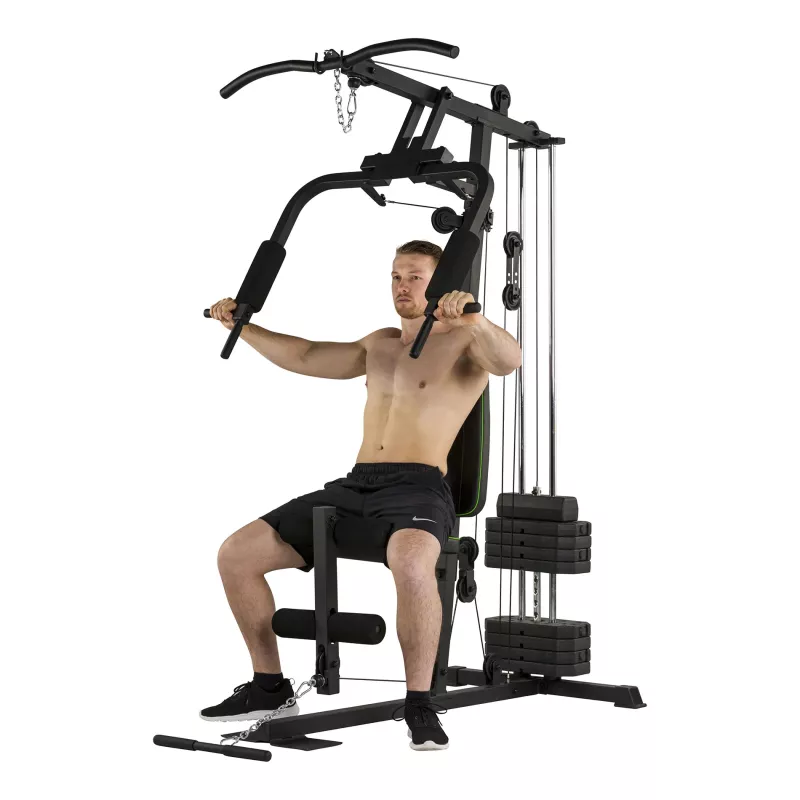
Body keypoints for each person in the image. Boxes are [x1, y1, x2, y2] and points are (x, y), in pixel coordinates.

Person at [202, 240, 522, 750]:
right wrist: (241, 327)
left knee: (412, 562)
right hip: (357, 483)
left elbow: (509, 360)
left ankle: (420, 703)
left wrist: (475, 318)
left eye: (415, 277)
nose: (402, 286)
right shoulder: (380, 343)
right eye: (396, 276)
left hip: (419, 486)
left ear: (441, 282)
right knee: (236, 555)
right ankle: (268, 687)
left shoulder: (466, 342)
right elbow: (306, 355)